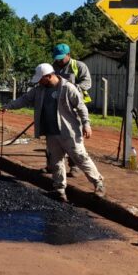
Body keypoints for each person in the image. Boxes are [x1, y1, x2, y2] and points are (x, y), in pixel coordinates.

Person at [0, 63, 105, 202]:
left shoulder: (67, 88)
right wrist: (9, 106)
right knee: (56, 162)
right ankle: (59, 190)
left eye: (41, 79)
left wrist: (86, 124)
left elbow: (81, 107)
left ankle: (99, 184)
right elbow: (24, 99)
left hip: (69, 132)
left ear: (49, 76)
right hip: (51, 132)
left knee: (80, 157)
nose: (39, 82)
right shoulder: (39, 90)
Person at [52, 43, 92, 176]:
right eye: (57, 58)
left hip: (75, 105)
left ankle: (74, 167)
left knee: (73, 136)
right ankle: (52, 165)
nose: (59, 60)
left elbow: (87, 83)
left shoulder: (79, 66)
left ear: (68, 55)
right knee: (55, 135)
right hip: (58, 105)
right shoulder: (54, 67)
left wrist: (73, 88)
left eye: (61, 58)